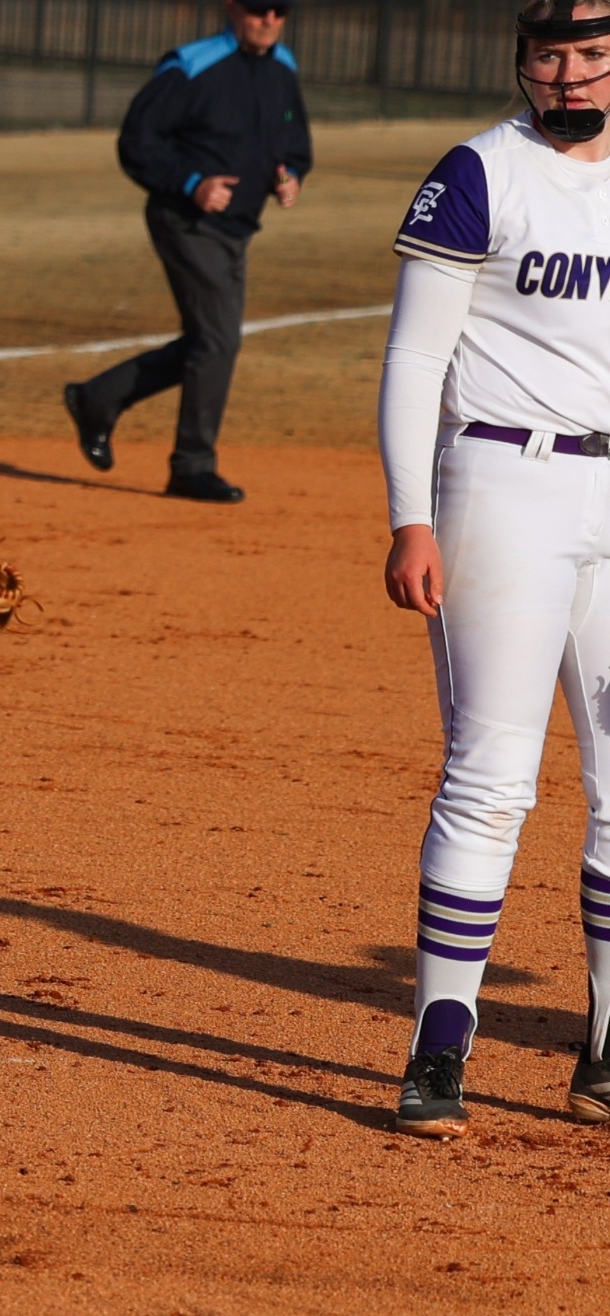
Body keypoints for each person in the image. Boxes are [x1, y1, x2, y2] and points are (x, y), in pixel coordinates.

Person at [380, 0, 610, 1138]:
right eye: (546, 56)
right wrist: (408, 516)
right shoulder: (478, 170)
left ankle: (605, 1045)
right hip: (501, 488)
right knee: (490, 774)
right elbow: (416, 350)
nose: (564, 75)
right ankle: (438, 1045)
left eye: (586, 55)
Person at [62, 0, 313, 504]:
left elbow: (294, 143)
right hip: (186, 220)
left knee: (211, 343)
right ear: (232, 8)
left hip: (237, 228)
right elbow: (137, 140)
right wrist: (192, 182)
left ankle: (97, 398)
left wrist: (291, 175)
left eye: (280, 10)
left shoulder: (283, 69)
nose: (269, 20)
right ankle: (191, 466)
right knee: (217, 342)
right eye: (260, 8)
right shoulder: (192, 65)